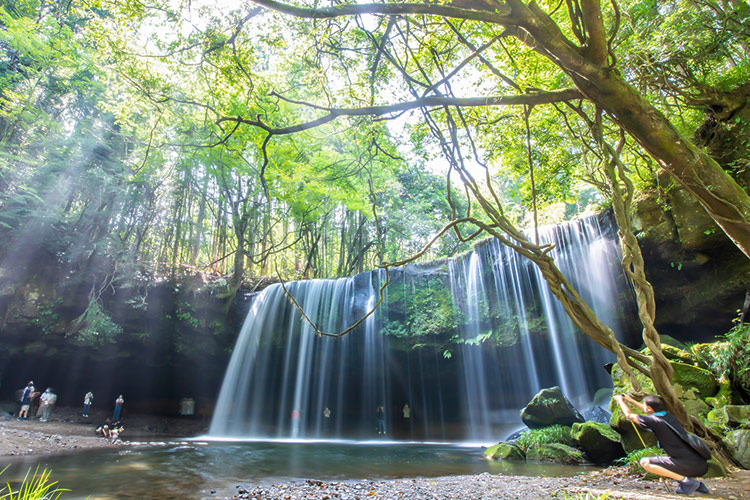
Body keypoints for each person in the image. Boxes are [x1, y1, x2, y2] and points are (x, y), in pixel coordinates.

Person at [615, 394, 710, 495]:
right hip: (701, 466)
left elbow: (629, 415)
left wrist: (621, 401)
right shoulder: (667, 416)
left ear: (649, 408)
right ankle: (698, 485)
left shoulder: (654, 421)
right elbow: (647, 410)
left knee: (645, 462)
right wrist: (630, 400)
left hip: (688, 466)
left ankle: (687, 482)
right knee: (679, 459)